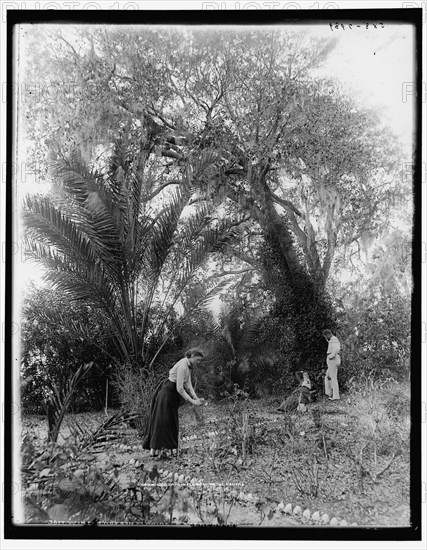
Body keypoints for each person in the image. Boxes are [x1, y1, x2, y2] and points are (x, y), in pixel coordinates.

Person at [142, 348, 205, 459]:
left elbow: (189, 385)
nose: (198, 362)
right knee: (162, 421)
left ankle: (172, 450)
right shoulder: (182, 366)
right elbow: (180, 388)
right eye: (198, 360)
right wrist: (192, 401)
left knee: (172, 421)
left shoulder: (187, 366)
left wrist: (197, 398)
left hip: (172, 395)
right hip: (167, 394)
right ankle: (154, 449)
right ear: (193, 355)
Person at [323, 329, 341, 401]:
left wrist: (331, 356)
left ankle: (336, 396)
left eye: (325, 336)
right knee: (328, 376)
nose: (326, 338)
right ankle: (329, 393)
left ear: (328, 334)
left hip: (333, 359)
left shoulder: (334, 339)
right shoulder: (332, 340)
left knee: (333, 378)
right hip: (332, 359)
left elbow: (337, 348)